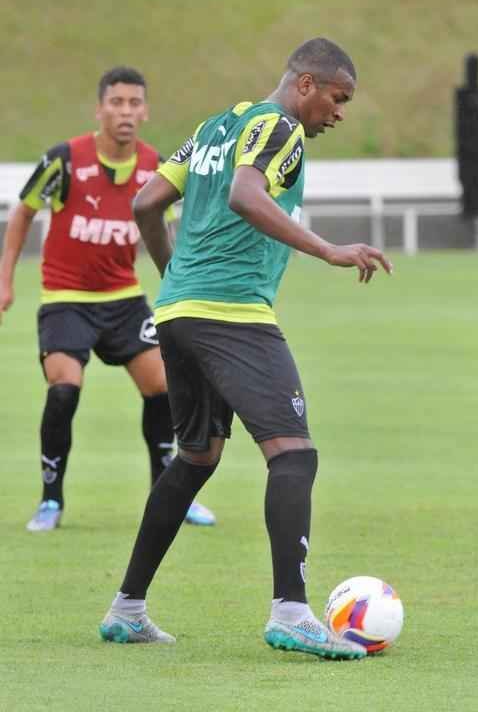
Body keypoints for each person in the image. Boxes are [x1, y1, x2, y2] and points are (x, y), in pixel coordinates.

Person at [99, 39, 392, 658]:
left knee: (196, 458)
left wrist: (175, 280)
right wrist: (331, 250)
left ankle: (126, 609)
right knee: (294, 454)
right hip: (231, 313)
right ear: (306, 84)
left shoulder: (213, 127)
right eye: (338, 99)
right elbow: (245, 194)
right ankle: (290, 611)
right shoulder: (277, 125)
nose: (338, 113)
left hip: (179, 313)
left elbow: (147, 202)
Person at [0, 66, 215, 530]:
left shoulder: (156, 166)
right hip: (66, 300)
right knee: (64, 389)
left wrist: (183, 284)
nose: (126, 112)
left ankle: (170, 495)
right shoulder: (65, 160)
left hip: (124, 299)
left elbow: (168, 229)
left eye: (134, 103)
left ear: (145, 111)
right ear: (100, 109)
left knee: (164, 387)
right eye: (117, 103)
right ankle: (50, 501)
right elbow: (22, 214)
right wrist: (5, 280)